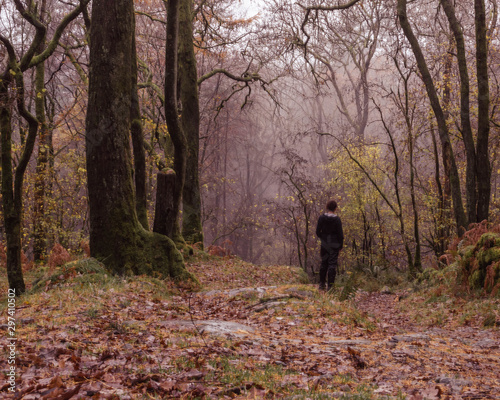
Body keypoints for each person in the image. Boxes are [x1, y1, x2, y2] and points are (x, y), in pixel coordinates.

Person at [316, 200, 344, 291]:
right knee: (332, 264)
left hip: (324, 244)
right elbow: (340, 234)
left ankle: (321, 284)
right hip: (334, 244)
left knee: (324, 263)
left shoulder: (321, 218)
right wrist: (340, 245)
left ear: (327, 207)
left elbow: (317, 231)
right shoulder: (337, 219)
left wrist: (323, 238)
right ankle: (330, 287)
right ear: (336, 208)